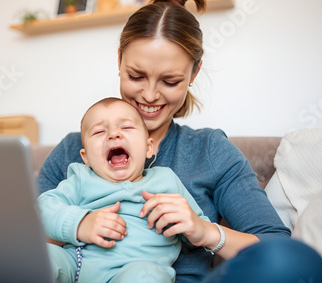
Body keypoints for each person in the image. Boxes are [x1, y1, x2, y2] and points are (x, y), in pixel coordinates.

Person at [37, 0, 322, 282]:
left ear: (194, 73)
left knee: (294, 263)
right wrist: (79, 223)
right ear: (119, 61)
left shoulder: (209, 150)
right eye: (136, 75)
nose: (150, 95)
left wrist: (204, 231)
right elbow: (21, 235)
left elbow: (274, 245)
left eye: (169, 81)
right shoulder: (73, 152)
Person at [39, 97, 210, 283]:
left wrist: (191, 226)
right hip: (75, 267)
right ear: (86, 157)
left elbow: (199, 227)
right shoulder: (81, 179)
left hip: (137, 269)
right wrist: (81, 224)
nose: (113, 134)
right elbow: (42, 209)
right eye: (99, 131)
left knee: (147, 276)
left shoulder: (166, 181)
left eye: (126, 128)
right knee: (40, 255)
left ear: (148, 147)